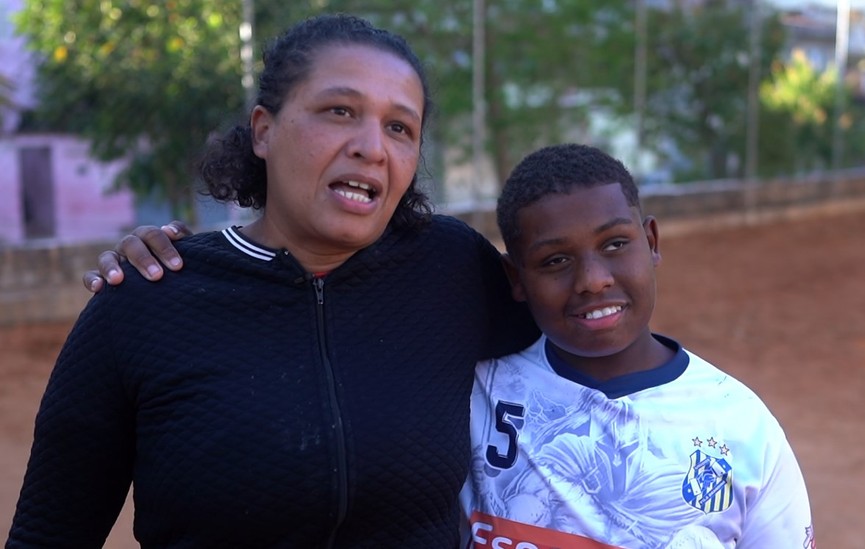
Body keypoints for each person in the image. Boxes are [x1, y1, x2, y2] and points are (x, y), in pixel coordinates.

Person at [7, 14, 538, 548]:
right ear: (264, 130)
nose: (371, 147)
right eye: (340, 111)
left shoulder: (453, 268)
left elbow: (591, 332)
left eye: (399, 127)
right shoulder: (145, 301)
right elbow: (49, 534)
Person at [459, 144, 816, 548]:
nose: (593, 280)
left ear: (651, 241)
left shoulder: (739, 424)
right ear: (516, 277)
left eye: (614, 244)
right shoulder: (475, 394)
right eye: (556, 260)